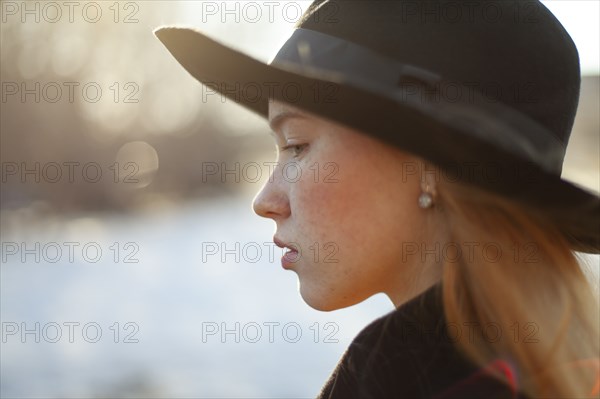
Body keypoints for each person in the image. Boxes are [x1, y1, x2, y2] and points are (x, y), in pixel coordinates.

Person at [155, 1, 600, 397]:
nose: (266, 200)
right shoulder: (563, 364)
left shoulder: (398, 377)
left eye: (297, 145)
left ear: (430, 166)